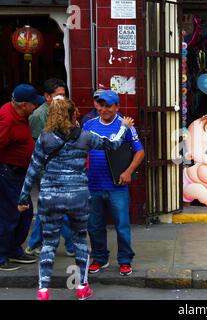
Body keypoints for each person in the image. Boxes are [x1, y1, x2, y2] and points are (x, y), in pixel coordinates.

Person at [17, 97, 136, 300]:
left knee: (49, 244)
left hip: (50, 196)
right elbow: (114, 145)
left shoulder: (44, 138)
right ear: (74, 116)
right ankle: (82, 287)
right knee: (81, 240)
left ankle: (43, 291)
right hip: (78, 196)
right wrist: (124, 127)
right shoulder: (85, 136)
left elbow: (33, 169)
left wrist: (23, 197)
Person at [83, 90, 144, 276]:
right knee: (94, 226)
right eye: (101, 105)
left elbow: (139, 151)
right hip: (93, 185)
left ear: (117, 107)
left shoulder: (125, 125)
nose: (104, 109)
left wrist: (128, 172)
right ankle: (99, 258)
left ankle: (125, 260)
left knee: (122, 225)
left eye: (108, 106)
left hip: (117, 186)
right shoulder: (89, 125)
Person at [26, 78, 74, 257]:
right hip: (47, 171)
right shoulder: (39, 116)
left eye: (63, 95)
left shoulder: (64, 111)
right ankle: (70, 244)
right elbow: (38, 148)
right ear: (47, 97)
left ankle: (34, 244)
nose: (62, 98)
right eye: (58, 95)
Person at [0, 84, 42, 271]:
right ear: (24, 104)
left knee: (25, 213)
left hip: (19, 173)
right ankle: (2, 255)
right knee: (10, 214)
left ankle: (13, 249)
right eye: (34, 104)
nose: (36, 107)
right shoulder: (7, 120)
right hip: (9, 173)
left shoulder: (18, 114)